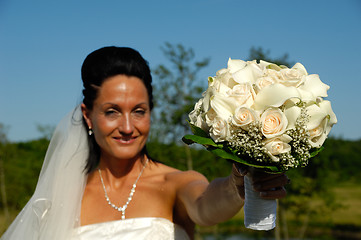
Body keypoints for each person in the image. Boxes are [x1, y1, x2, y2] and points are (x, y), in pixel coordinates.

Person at [1, 46, 289, 240]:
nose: (128, 127)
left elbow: (207, 206)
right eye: (112, 111)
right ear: (88, 116)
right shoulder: (60, 197)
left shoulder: (175, 183)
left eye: (139, 111)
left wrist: (235, 185)